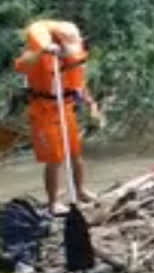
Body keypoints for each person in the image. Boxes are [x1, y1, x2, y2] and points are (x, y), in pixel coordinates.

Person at [13, 20, 103, 215]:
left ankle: (80, 191)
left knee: (75, 154)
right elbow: (21, 65)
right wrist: (43, 50)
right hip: (43, 110)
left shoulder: (72, 57)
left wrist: (92, 105)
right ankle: (53, 202)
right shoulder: (37, 54)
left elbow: (79, 83)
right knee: (54, 158)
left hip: (66, 107)